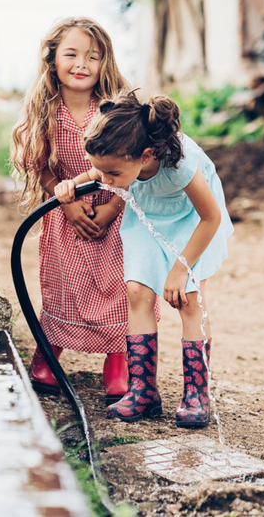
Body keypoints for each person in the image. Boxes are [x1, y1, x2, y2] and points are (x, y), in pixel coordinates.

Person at [54, 91, 234, 428]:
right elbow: (97, 174)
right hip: (147, 216)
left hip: (192, 222)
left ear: (145, 155)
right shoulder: (119, 163)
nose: (104, 182)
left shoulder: (178, 164)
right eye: (99, 171)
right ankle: (142, 390)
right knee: (136, 292)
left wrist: (181, 269)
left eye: (112, 174)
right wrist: (69, 186)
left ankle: (197, 394)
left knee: (189, 300)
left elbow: (212, 218)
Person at [10, 18, 153, 404]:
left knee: (118, 287)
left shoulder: (113, 109)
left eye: (93, 56)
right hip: (64, 210)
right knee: (62, 283)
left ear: (104, 62)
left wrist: (110, 208)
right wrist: (68, 205)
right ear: (52, 59)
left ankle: (118, 361)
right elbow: (38, 164)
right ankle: (49, 354)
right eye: (71, 54)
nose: (81, 63)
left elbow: (133, 165)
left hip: (117, 208)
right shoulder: (45, 111)